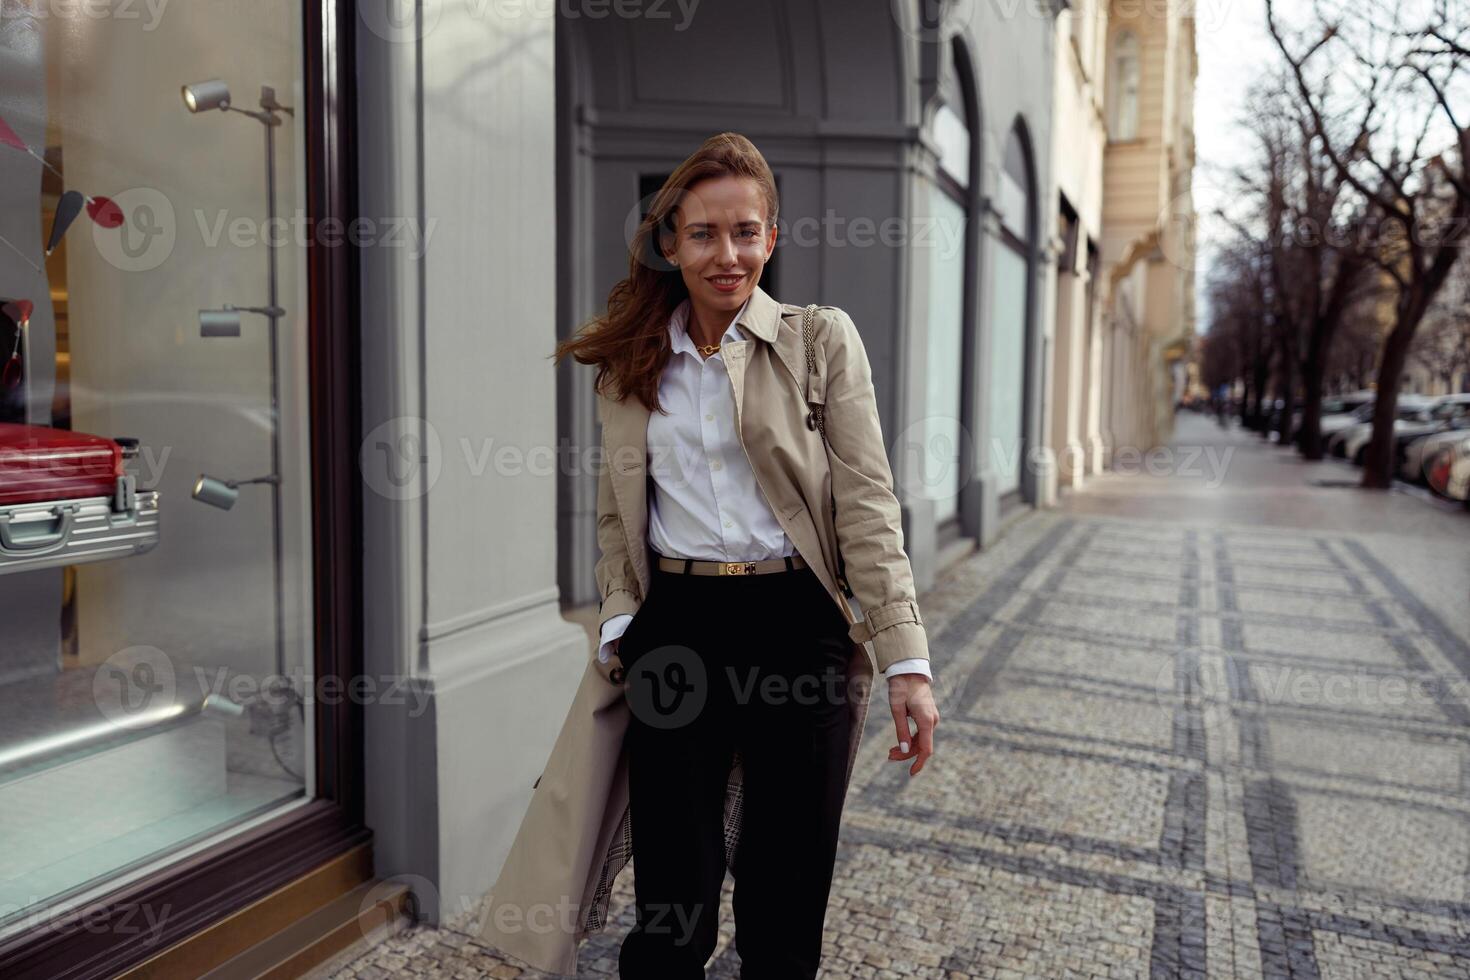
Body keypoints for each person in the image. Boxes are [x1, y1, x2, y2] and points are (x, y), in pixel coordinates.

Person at [527, 131, 939, 979]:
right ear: (670, 241)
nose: (729, 254)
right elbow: (617, 518)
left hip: (798, 625)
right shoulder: (629, 366)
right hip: (679, 631)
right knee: (673, 899)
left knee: (784, 896)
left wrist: (907, 662)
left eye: (747, 232)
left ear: (772, 238)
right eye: (706, 234)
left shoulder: (818, 343)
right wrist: (619, 625)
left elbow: (866, 506)